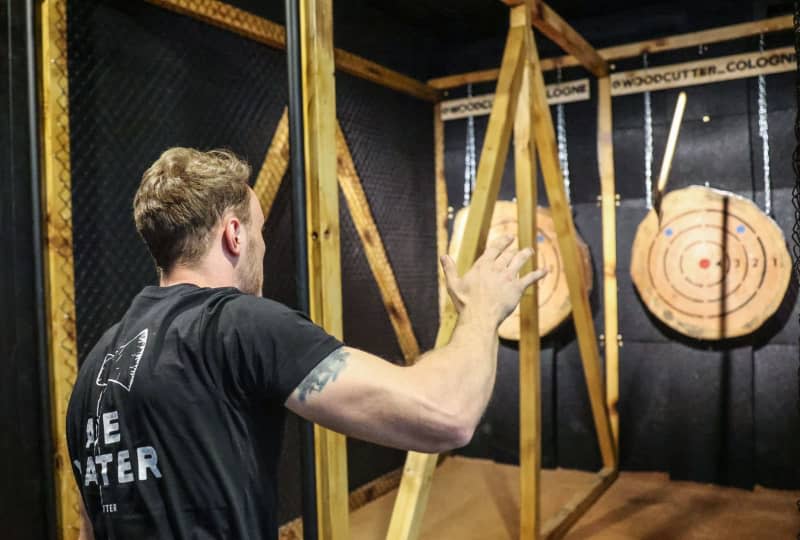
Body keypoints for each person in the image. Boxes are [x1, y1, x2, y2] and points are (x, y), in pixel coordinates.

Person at [66, 147, 546, 540]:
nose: (263, 247)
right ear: (234, 234)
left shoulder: (96, 369)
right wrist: (483, 311)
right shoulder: (236, 324)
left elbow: (92, 528)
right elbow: (446, 414)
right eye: (256, 231)